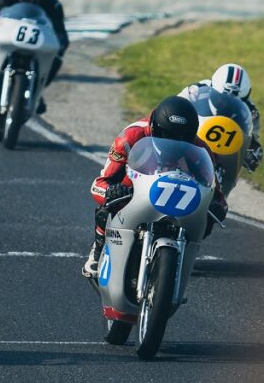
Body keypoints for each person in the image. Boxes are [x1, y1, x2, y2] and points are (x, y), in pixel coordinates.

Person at [83, 96, 229, 278]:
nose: (174, 142)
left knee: (207, 218)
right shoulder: (129, 138)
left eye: (183, 138)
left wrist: (216, 207)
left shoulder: (200, 150)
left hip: (174, 197)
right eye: (168, 136)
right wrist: (112, 192)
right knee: (108, 205)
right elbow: (99, 183)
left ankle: (182, 256)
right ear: (154, 127)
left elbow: (218, 195)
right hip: (134, 191)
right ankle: (97, 249)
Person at [178, 63, 264, 172]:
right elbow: (174, 108)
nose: (225, 104)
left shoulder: (250, 113)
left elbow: (252, 142)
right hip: (188, 143)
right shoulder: (195, 91)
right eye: (221, 97)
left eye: (234, 102)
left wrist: (253, 154)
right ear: (212, 87)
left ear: (245, 99)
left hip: (221, 158)